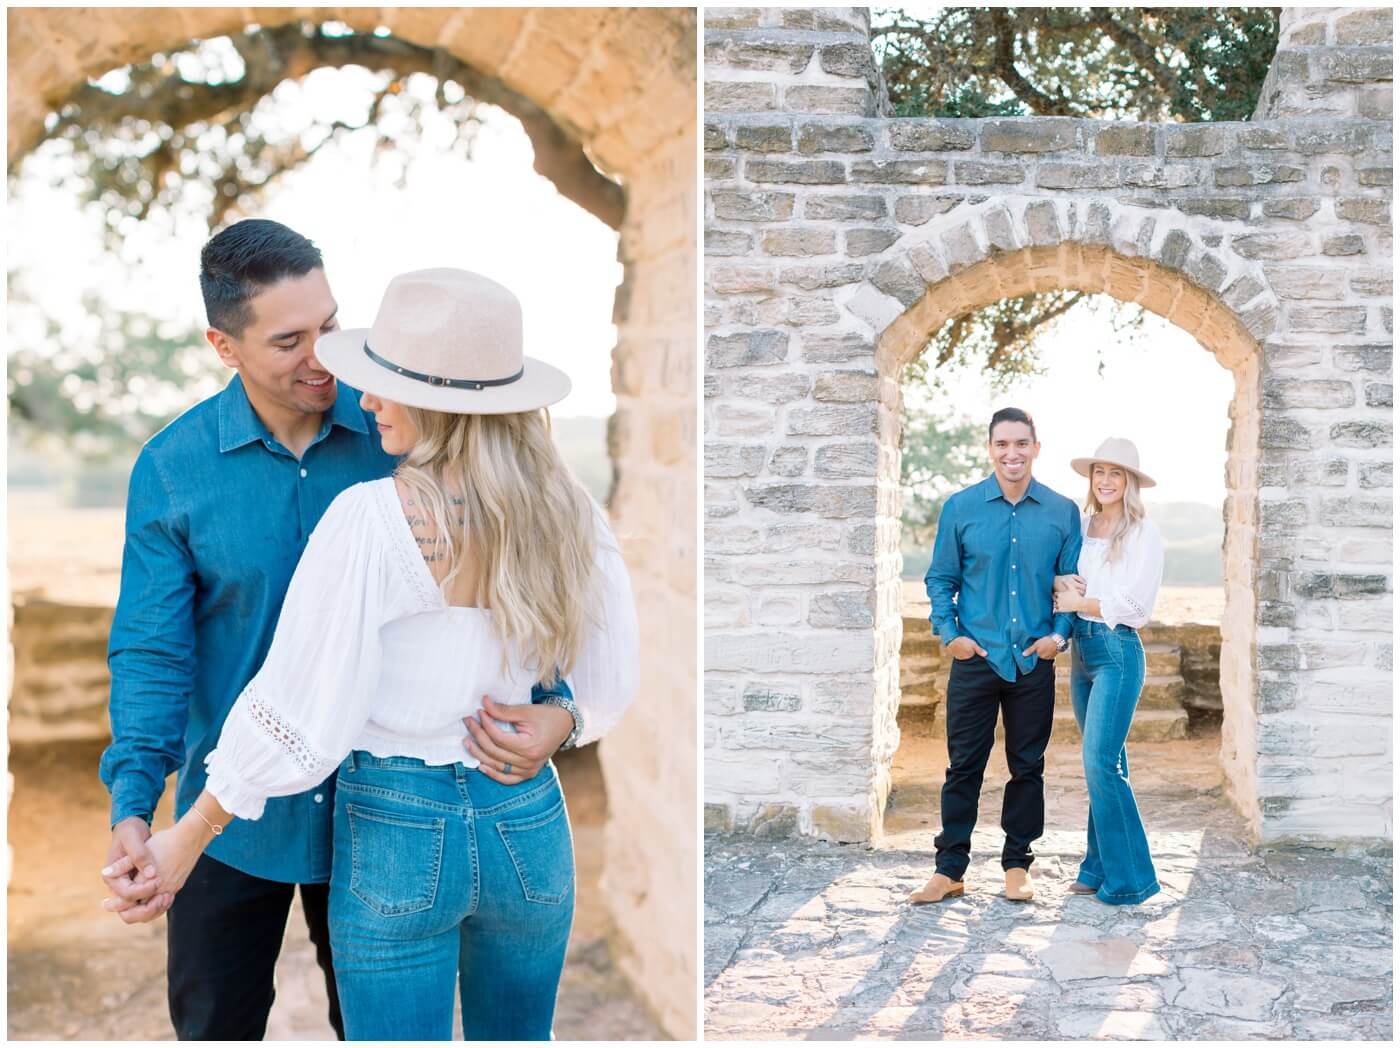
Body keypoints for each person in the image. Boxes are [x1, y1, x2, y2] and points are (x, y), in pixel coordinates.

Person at [108, 268, 640, 1040]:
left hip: (398, 824)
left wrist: (186, 835)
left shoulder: (372, 516)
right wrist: (564, 721)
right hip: (526, 819)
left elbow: (300, 709)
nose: (364, 398)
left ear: (439, 404)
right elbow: (610, 670)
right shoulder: (568, 510)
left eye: (384, 382)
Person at [910, 407, 1081, 905]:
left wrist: (1059, 636)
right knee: (963, 766)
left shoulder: (1060, 511)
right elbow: (941, 579)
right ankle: (950, 869)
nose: (1012, 453)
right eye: (1003, 444)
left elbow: (1070, 586)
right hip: (975, 658)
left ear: (1036, 448)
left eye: (1021, 444)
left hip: (1032, 660)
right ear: (990, 448)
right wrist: (950, 635)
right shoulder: (961, 508)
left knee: (1027, 766)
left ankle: (1016, 864)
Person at [1052, 437, 1164, 905]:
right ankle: (1096, 867)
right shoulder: (1080, 524)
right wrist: (1061, 582)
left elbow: (1138, 606)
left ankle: (1132, 878)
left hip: (1117, 651)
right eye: (1099, 472)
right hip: (1082, 650)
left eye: (1116, 473)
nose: (1106, 480)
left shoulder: (1143, 532)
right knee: (1108, 763)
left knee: (1099, 762)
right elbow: (1058, 573)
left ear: (1130, 482)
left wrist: (1082, 602)